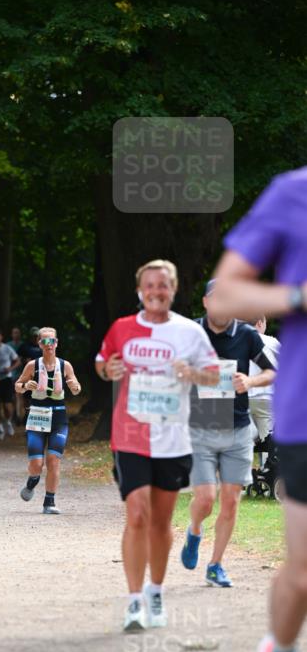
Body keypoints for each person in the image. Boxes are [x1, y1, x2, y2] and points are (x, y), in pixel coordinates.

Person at [207, 165, 307, 652]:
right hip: (302, 410)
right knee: (303, 572)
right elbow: (231, 289)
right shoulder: (293, 193)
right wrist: (296, 295)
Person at [95, 259, 219, 632]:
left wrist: (192, 373)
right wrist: (109, 371)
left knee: (161, 522)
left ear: (174, 289)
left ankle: (156, 591)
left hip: (173, 438)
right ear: (139, 291)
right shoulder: (123, 328)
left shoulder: (189, 333)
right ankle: (134, 601)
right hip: (130, 435)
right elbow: (103, 362)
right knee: (137, 514)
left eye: (163, 285)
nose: (156, 291)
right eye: (149, 285)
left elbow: (216, 377)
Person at [181, 281, 277, 587]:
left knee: (232, 501)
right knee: (207, 498)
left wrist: (249, 383)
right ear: (206, 302)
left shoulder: (246, 334)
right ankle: (194, 530)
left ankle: (216, 564)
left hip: (237, 425)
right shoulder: (192, 333)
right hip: (201, 424)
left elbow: (271, 371)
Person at [15, 328, 81, 514]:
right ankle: (33, 480)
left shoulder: (65, 365)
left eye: (51, 341)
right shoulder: (32, 366)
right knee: (37, 465)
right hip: (37, 416)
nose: (48, 345)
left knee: (53, 461)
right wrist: (26, 386)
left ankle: (49, 502)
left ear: (57, 343)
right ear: (39, 344)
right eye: (44, 342)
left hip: (59, 418)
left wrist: (74, 386)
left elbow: (76, 388)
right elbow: (18, 386)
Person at [248, 316, 281, 455]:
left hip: (243, 398)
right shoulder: (272, 342)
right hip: (266, 398)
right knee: (268, 440)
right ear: (260, 322)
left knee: (245, 438)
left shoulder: (236, 341)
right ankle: (265, 472)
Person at [0, 330, 20, 438]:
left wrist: (10, 368)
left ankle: (8, 422)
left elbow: (17, 360)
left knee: (7, 405)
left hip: (6, 379)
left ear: (1, 337)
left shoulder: (7, 348)